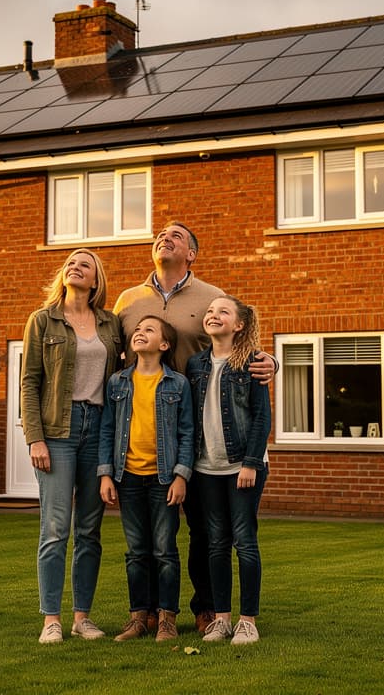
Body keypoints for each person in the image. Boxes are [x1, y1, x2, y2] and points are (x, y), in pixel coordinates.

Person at [112, 221, 276, 633]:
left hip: (198, 432)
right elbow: (111, 359)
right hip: (148, 432)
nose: (164, 238)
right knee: (149, 534)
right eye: (160, 235)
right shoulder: (127, 301)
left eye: (177, 236)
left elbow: (239, 349)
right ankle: (147, 612)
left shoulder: (211, 298)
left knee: (205, 532)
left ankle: (209, 609)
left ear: (192, 254)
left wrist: (272, 361)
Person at [20, 248, 123, 644]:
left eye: (85, 264)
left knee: (90, 530)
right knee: (55, 528)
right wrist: (35, 438)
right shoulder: (42, 321)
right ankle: (51, 620)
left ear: (95, 281)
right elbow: (30, 382)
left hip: (98, 429)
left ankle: (82, 618)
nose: (75, 267)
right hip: (57, 432)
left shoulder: (111, 324)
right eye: (70, 263)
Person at [97, 315, 195, 642]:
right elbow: (107, 430)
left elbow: (187, 432)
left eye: (148, 330)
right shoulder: (118, 382)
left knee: (165, 550)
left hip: (164, 479)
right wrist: (106, 475)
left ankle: (167, 618)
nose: (140, 333)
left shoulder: (177, 384)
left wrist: (181, 475)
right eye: (137, 330)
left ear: (164, 345)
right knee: (137, 551)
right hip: (127, 479)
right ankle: (139, 617)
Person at [187, 295, 272, 645]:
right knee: (216, 545)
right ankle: (221, 619)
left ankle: (247, 620)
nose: (213, 315)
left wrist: (251, 463)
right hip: (206, 468)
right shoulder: (195, 364)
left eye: (223, 311)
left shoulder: (252, 362)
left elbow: (261, 417)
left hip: (243, 467)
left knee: (245, 542)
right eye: (209, 311)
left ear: (239, 324)